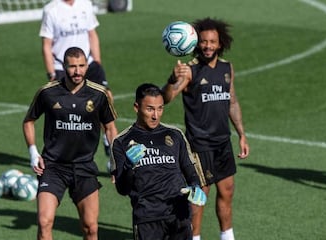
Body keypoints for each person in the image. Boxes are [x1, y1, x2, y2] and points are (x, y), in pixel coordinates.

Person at [162, 17, 250, 240]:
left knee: (227, 191)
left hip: (223, 143)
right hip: (199, 145)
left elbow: (232, 102)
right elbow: (167, 97)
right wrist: (173, 79)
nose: (208, 46)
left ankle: (227, 236)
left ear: (220, 43)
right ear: (196, 43)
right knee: (199, 198)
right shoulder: (190, 70)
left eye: (212, 42)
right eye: (203, 41)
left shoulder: (227, 68)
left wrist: (241, 134)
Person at [23, 47, 118, 240]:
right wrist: (33, 152)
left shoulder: (98, 94)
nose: (77, 71)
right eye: (72, 66)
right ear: (64, 66)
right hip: (53, 167)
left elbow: (109, 127)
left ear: (87, 66)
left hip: (84, 167)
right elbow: (28, 121)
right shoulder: (48, 92)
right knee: (44, 222)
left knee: (90, 227)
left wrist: (116, 160)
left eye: (82, 66)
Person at [110, 83, 207, 240]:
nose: (156, 115)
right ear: (136, 107)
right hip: (148, 218)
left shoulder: (175, 135)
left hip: (179, 214)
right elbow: (122, 189)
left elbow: (189, 168)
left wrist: (195, 185)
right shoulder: (121, 141)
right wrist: (129, 165)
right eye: (150, 109)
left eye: (160, 108)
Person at [39, 0, 114, 156]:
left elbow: (92, 34)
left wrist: (97, 62)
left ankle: (110, 145)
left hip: (88, 63)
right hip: (63, 67)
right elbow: (46, 44)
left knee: (106, 97)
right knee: (68, 112)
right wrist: (51, 74)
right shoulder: (51, 10)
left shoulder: (85, 4)